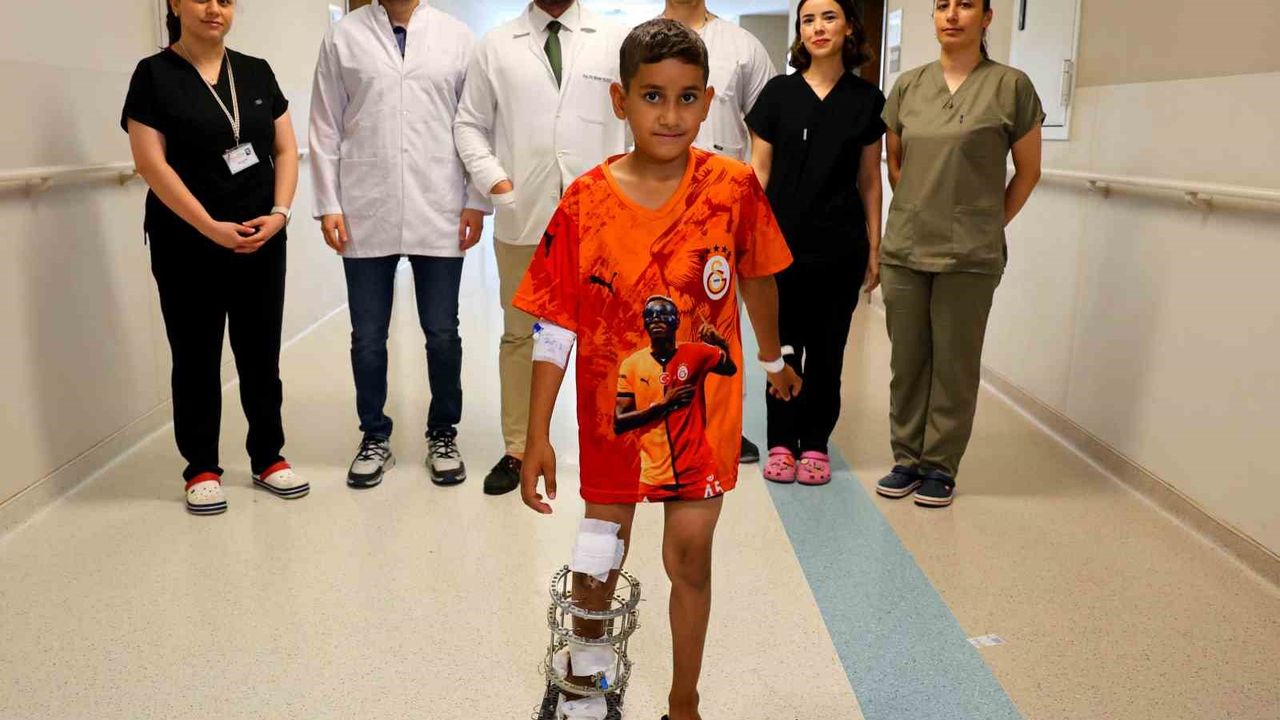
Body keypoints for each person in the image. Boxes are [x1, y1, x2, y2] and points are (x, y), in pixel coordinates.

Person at [515, 20, 800, 720]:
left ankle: (683, 702)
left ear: (708, 103)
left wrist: (772, 358)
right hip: (614, 419)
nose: (670, 115)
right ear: (621, 100)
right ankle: (585, 688)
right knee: (598, 559)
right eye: (652, 96)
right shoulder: (584, 201)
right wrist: (537, 434)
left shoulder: (732, 188)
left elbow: (758, 278)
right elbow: (555, 322)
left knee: (691, 555)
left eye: (687, 97)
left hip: (702, 419)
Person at [122, 0, 307, 515]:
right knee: (196, 355)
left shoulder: (256, 71)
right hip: (186, 242)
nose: (213, 8)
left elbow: (285, 149)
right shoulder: (154, 75)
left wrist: (281, 212)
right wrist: (209, 228)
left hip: (261, 237)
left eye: (224, 0)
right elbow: (150, 163)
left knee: (261, 353)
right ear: (175, 4)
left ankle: (268, 456)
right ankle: (201, 467)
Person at [309, 0, 488, 489]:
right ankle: (374, 436)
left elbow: (476, 125)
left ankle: (443, 433)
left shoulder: (457, 37)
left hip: (440, 203)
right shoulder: (343, 36)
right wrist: (328, 203)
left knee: (442, 333)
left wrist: (476, 200)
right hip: (366, 206)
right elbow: (325, 124)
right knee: (368, 336)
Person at [454, 0, 628, 497]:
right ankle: (517, 447)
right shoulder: (495, 45)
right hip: (523, 215)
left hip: (603, 216)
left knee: (608, 336)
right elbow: (468, 123)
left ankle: (612, 440)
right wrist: (496, 181)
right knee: (520, 336)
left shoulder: (613, 39)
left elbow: (635, 114)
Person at [874, 0, 1044, 508]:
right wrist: (920, 211)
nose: (952, 15)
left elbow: (1029, 171)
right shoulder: (908, 86)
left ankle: (940, 466)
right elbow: (896, 165)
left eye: (965, 5)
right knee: (907, 361)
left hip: (970, 254)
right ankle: (906, 458)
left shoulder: (1011, 87)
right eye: (942, 5)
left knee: (955, 363)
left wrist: (985, 225)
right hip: (905, 248)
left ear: (986, 18)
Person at [745, 0, 886, 486]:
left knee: (827, 354)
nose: (818, 27)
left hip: (840, 247)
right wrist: (748, 238)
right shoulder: (778, 94)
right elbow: (759, 171)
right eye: (808, 19)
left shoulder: (866, 99)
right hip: (779, 246)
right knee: (781, 349)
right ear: (800, 31)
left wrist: (874, 245)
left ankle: (815, 445)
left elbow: (870, 179)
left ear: (849, 28)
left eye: (829, 17)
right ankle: (782, 443)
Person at [661, 0, 777, 465]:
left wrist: (749, 193)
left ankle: (726, 424)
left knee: (720, 322)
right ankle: (666, 416)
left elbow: (766, 127)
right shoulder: (638, 40)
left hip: (722, 208)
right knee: (662, 315)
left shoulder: (743, 47)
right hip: (660, 203)